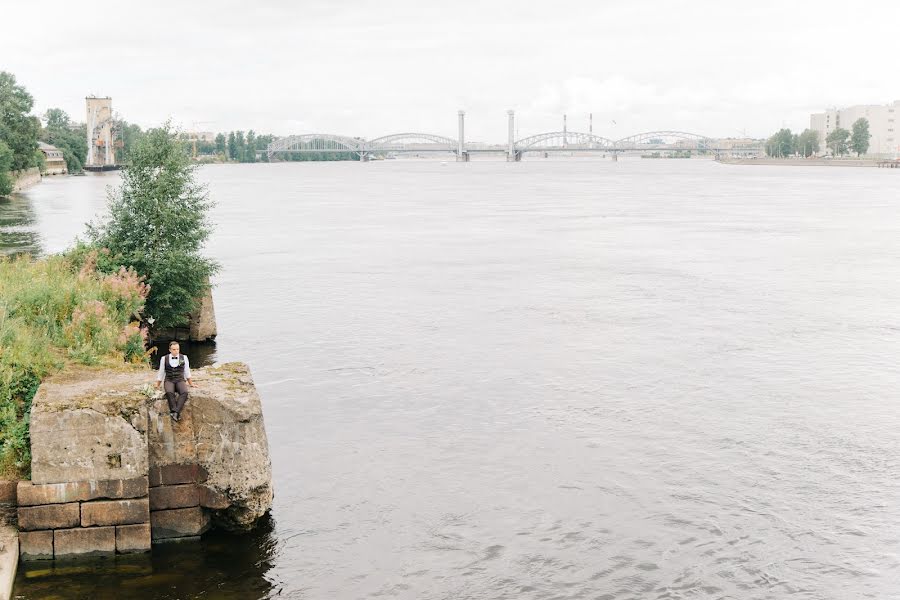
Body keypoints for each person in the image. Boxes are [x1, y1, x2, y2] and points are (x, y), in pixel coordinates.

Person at [155, 341, 193, 422]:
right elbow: (161, 372)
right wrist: (157, 384)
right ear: (170, 350)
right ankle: (175, 411)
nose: (176, 351)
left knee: (184, 392)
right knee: (169, 392)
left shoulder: (183, 358)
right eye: (174, 349)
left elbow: (187, 371)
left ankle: (175, 412)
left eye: (177, 349)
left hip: (180, 379)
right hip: (169, 380)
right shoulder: (164, 358)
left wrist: (191, 383)